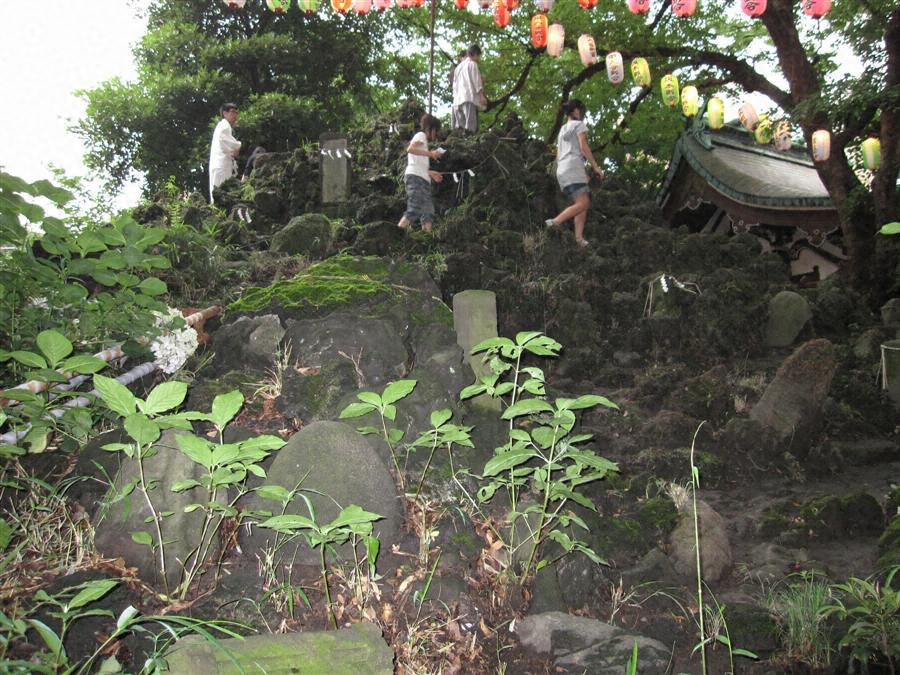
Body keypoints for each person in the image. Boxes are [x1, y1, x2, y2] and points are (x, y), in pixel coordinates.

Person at [545, 99, 604, 247]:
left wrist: (582, 173)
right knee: (584, 203)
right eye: (580, 110)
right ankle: (555, 222)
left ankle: (579, 238)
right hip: (573, 166)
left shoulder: (562, 130)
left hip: (562, 170)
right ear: (576, 110)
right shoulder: (579, 125)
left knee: (581, 202)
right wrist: (595, 166)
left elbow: (559, 155)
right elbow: (583, 147)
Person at [397, 114, 444, 233]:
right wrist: (431, 154)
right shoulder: (421, 135)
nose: (436, 135)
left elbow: (418, 163)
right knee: (415, 207)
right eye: (436, 131)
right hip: (415, 178)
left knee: (428, 210)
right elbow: (410, 149)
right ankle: (397, 232)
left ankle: (426, 237)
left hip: (422, 178)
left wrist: (431, 173)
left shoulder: (423, 142)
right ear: (431, 128)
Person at [208, 103, 242, 203]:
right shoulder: (224, 125)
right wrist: (238, 146)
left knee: (220, 192)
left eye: (236, 113)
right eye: (232, 112)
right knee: (221, 192)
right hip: (221, 165)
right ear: (225, 113)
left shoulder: (223, 125)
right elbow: (224, 140)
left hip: (221, 164)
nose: (235, 115)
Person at [452, 45, 487, 133]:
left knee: (460, 129)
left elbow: (454, 86)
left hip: (457, 101)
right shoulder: (472, 64)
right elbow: (476, 82)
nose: (479, 59)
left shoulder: (458, 68)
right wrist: (482, 96)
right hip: (468, 98)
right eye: (479, 56)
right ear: (475, 54)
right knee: (470, 127)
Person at [449, 49, 467, 130]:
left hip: (465, 98)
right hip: (458, 98)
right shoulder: (456, 68)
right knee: (456, 123)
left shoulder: (469, 66)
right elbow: (451, 81)